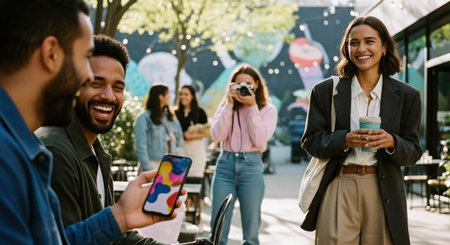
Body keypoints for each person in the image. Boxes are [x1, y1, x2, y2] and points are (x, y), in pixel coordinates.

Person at [0, 0, 185, 244]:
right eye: (85, 58)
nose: (87, 76)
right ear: (51, 53)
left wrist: (120, 217)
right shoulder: (10, 158)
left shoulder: (25, 153)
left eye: (117, 86)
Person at [300, 16, 422, 245]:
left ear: (384, 46)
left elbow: (414, 152)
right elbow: (310, 141)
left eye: (369, 41)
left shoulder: (408, 96)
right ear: (346, 48)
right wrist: (344, 139)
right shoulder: (325, 91)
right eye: (353, 42)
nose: (361, 49)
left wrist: (391, 142)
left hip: (383, 189)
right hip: (338, 185)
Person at [210, 64, 277, 245]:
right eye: (239, 85)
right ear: (232, 86)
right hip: (225, 165)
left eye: (248, 84)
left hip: (251, 167)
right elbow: (217, 136)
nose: (244, 88)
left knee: (251, 231)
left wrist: (252, 107)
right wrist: (229, 106)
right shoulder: (226, 107)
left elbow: (260, 141)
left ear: (256, 84)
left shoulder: (267, 110)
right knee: (217, 229)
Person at [134, 84, 185, 243]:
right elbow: (140, 147)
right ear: (159, 96)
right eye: (167, 94)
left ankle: (167, 241)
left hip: (170, 169)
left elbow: (180, 141)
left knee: (174, 207)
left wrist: (179, 166)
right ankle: (150, 241)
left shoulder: (170, 118)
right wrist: (150, 172)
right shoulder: (144, 118)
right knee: (152, 210)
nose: (170, 97)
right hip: (152, 168)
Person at [175, 85, 210, 181]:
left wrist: (192, 136)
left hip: (196, 151)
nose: (183, 97)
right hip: (180, 151)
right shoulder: (175, 112)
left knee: (195, 181)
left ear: (192, 96)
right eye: (181, 94)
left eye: (186, 94)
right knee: (179, 182)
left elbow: (207, 132)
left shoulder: (200, 112)